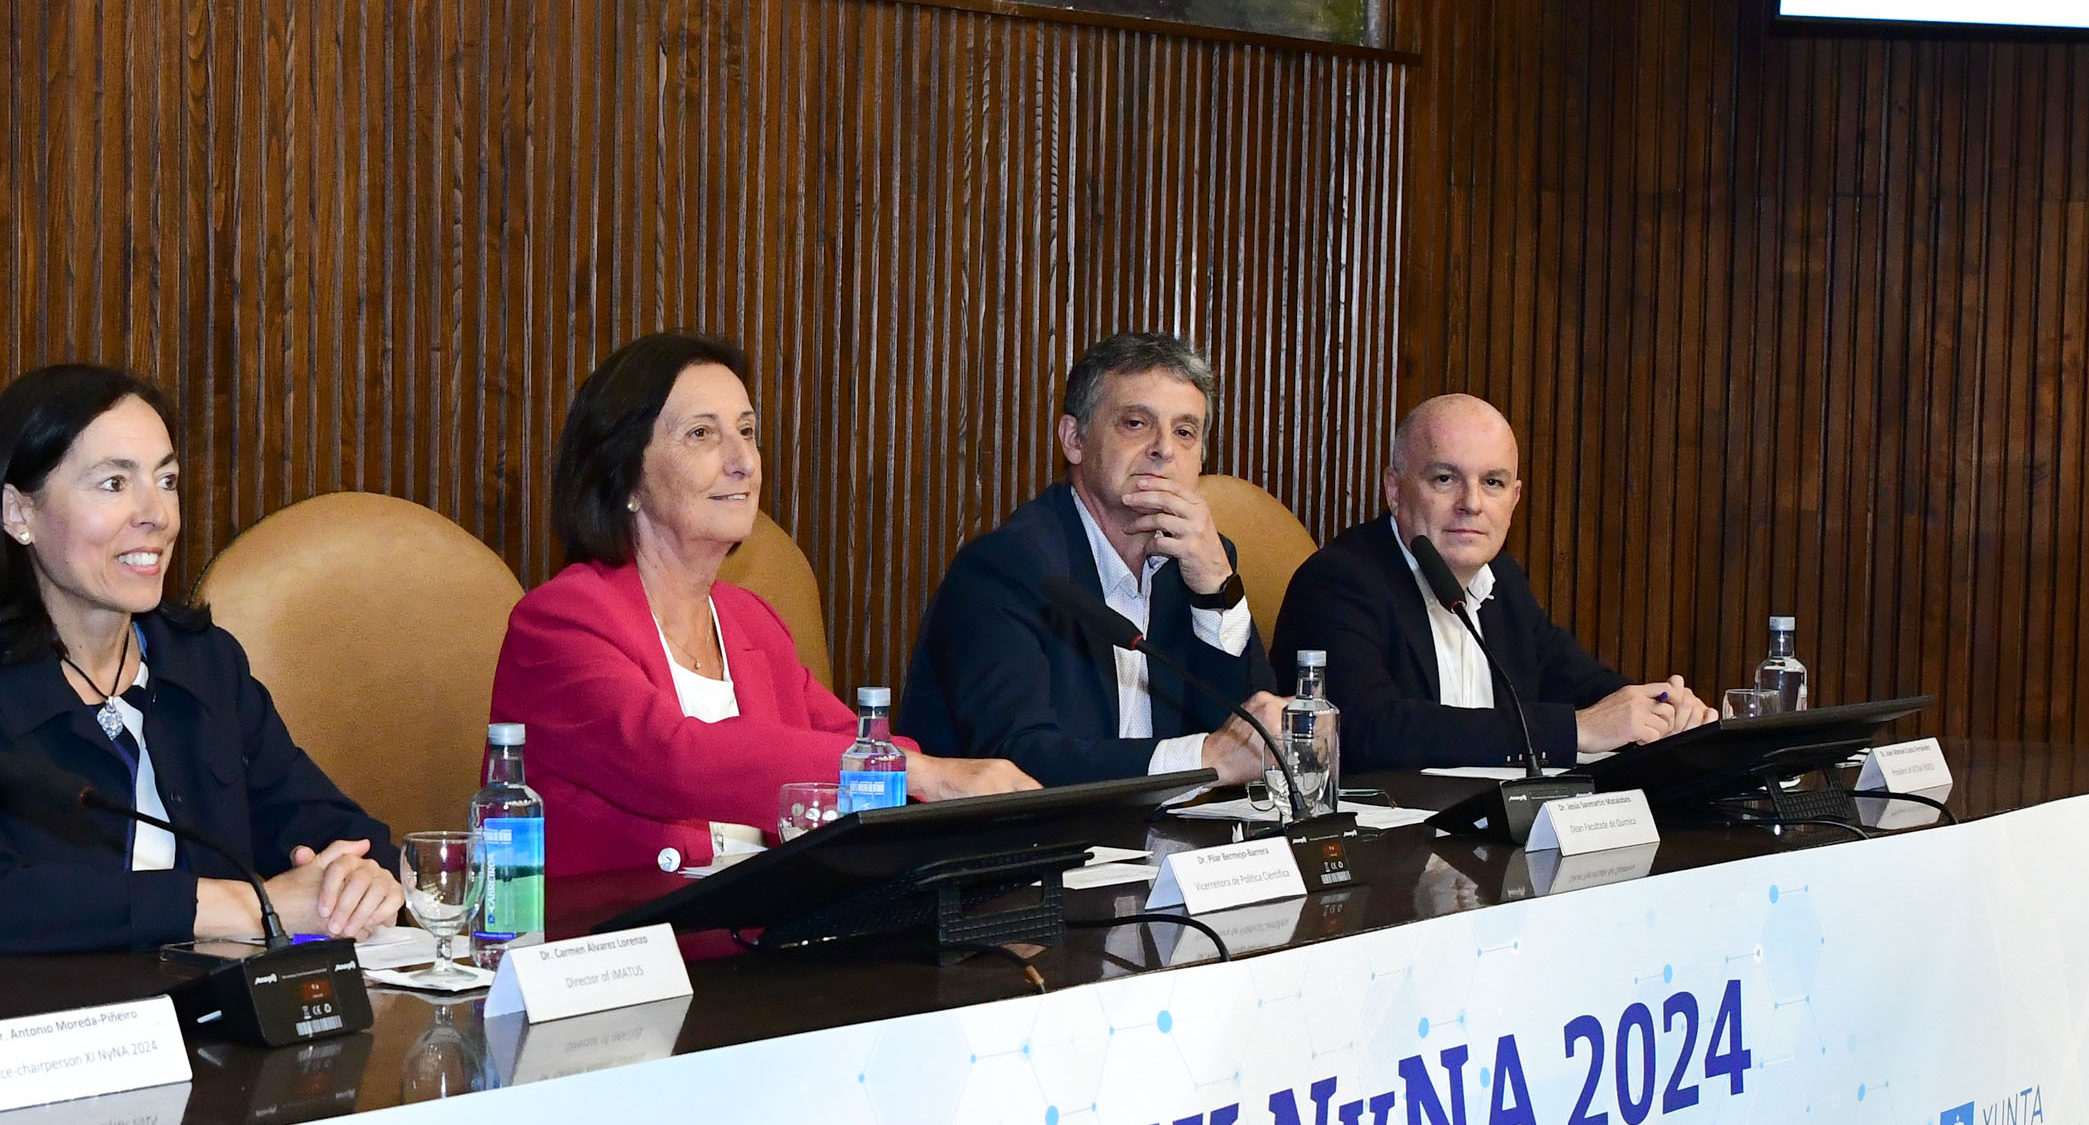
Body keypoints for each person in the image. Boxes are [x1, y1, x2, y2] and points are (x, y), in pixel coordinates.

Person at [0, 364, 402, 955]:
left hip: (206, 1007)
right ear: (19, 514)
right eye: (113, 483)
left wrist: (360, 882)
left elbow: (343, 833)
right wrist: (249, 905)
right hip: (27, 1012)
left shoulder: (203, 663)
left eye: (167, 480)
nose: (157, 513)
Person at [490, 332, 1031, 876]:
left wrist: (953, 781)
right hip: (615, 924)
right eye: (702, 434)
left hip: (758, 921)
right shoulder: (560, 623)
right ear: (625, 475)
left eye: (747, 432)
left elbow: (857, 743)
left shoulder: (752, 621)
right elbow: (676, 759)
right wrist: (920, 774)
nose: (743, 462)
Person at [895, 331, 1288, 788]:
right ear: (1074, 440)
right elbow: (1019, 758)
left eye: (1185, 432)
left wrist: (1217, 589)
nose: (1164, 449)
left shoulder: (1199, 563)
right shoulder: (1006, 568)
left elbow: (1251, 741)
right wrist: (1206, 757)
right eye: (1136, 423)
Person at [1271, 393, 1713, 772]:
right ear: (1395, 489)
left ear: (1514, 499)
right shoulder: (1339, 581)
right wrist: (1576, 729)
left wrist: (1662, 710)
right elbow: (1365, 729)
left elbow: (1581, 684)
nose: (1472, 503)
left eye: (1493, 482)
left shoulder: (1502, 581)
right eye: (1445, 479)